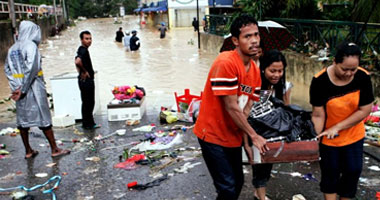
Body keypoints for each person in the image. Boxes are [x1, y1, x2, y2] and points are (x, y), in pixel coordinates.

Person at [193, 15, 268, 200]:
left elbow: (247, 108)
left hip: (232, 136)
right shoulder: (226, 62)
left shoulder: (256, 71)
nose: (254, 40)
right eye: (247, 36)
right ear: (235, 40)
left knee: (237, 183)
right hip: (211, 134)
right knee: (227, 188)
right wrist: (254, 135)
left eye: (256, 35)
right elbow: (232, 107)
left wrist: (245, 141)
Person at [310, 42, 374, 200]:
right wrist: (314, 139)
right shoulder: (320, 81)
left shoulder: (362, 77)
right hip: (329, 139)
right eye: (345, 69)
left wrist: (337, 127)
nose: (349, 73)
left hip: (354, 135)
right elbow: (318, 114)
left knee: (352, 172)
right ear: (334, 62)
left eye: (353, 69)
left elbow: (365, 110)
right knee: (330, 175)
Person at [4, 21, 70, 158]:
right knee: (44, 117)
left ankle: (28, 150)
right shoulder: (31, 46)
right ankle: (54, 149)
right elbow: (32, 68)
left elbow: (7, 70)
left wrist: (16, 87)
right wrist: (23, 88)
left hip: (18, 89)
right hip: (33, 87)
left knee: (22, 120)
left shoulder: (12, 49)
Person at [243, 50, 289, 200]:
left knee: (268, 164)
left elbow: (287, 110)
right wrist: (247, 143)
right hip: (254, 131)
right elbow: (244, 112)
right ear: (263, 69)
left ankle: (259, 193)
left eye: (280, 71)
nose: (276, 74)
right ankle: (261, 196)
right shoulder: (253, 86)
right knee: (260, 165)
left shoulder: (285, 87)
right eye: (272, 71)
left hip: (274, 132)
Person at [75, 31, 100, 129]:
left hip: (84, 80)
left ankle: (88, 123)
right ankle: (88, 124)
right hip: (86, 81)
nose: (89, 41)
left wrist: (81, 70)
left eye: (90, 38)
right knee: (88, 102)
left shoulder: (82, 50)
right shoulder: (83, 50)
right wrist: (84, 71)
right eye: (86, 39)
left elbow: (77, 60)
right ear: (82, 40)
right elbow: (77, 61)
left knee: (87, 102)